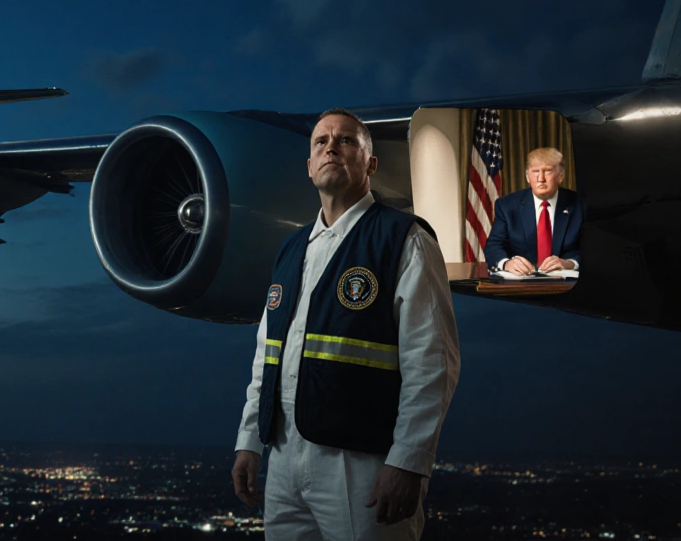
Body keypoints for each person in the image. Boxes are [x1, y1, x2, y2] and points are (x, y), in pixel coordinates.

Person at [230, 109, 461, 541]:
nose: (331, 147)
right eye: (320, 142)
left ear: (371, 164)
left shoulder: (404, 239)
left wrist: (409, 460)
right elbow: (268, 356)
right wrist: (249, 440)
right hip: (282, 459)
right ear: (309, 167)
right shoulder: (291, 250)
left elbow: (433, 360)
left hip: (359, 463)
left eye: (346, 141)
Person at [483, 147, 585, 275]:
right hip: (521, 283)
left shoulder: (580, 205)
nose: (540, 178)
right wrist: (506, 263)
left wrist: (569, 263)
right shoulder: (507, 206)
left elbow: (592, 248)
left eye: (547, 171)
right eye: (535, 171)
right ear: (527, 177)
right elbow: (493, 246)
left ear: (560, 176)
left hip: (566, 284)